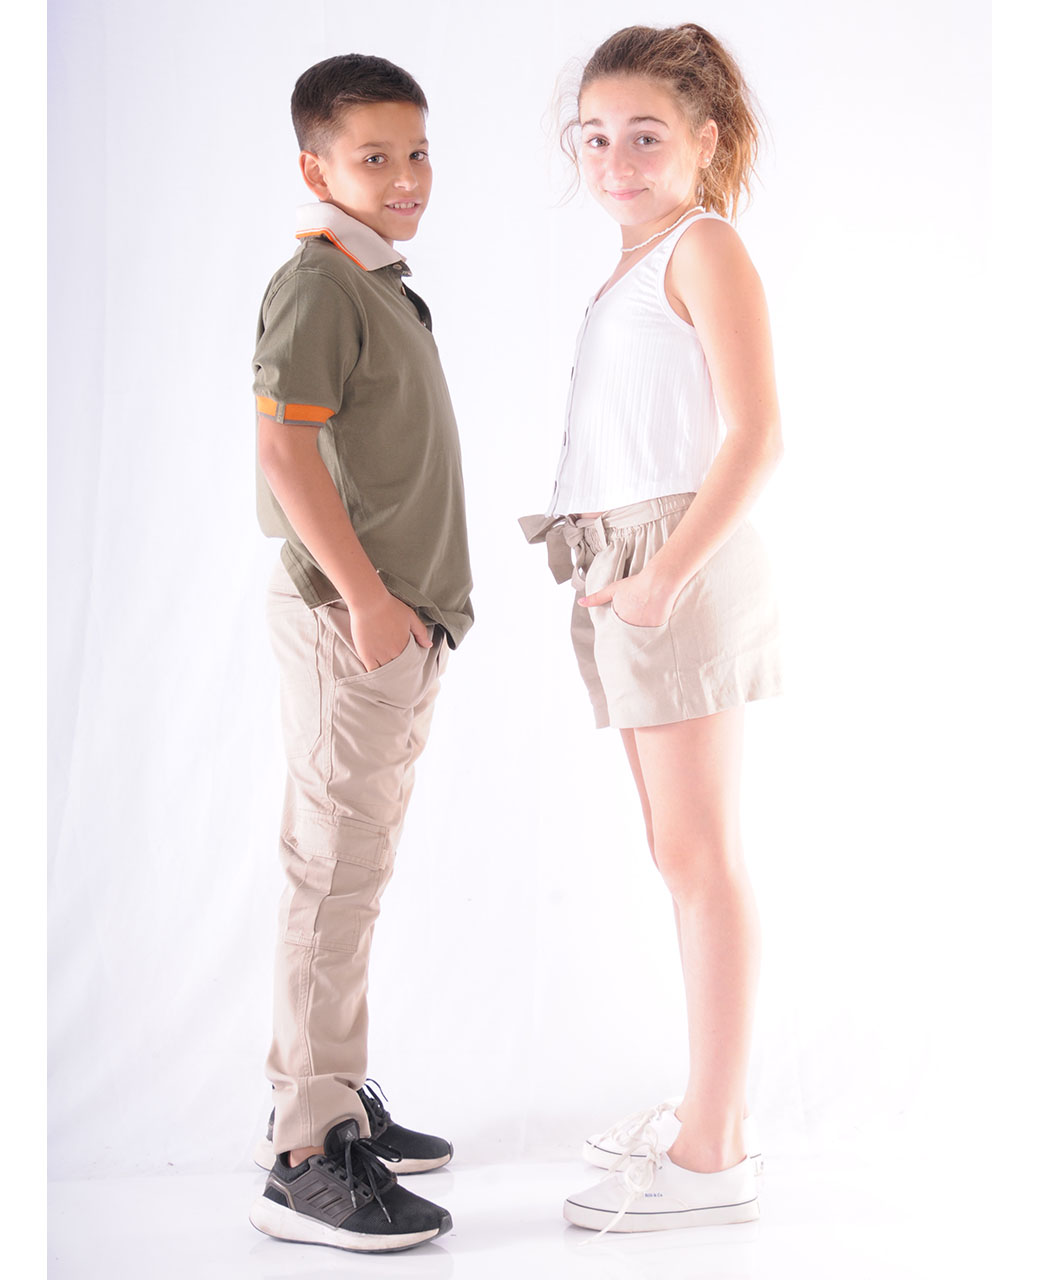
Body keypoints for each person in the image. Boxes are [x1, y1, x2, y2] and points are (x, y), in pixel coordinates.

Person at [521, 22, 783, 1233]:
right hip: (621, 565)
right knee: (678, 852)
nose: (613, 160)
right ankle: (705, 1119)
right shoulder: (634, 262)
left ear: (703, 141)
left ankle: (711, 1147)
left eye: (643, 136)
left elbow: (756, 438)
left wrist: (663, 576)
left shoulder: (702, 244)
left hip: (671, 560)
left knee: (698, 855)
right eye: (594, 138)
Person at [247, 53, 473, 1254]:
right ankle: (304, 1151)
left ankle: (329, 1093)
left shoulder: (375, 281)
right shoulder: (319, 282)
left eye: (416, 151)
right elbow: (282, 452)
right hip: (354, 624)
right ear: (314, 167)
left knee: (351, 869)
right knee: (331, 873)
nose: (404, 176)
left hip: (388, 623)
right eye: (372, 155)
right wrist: (370, 601)